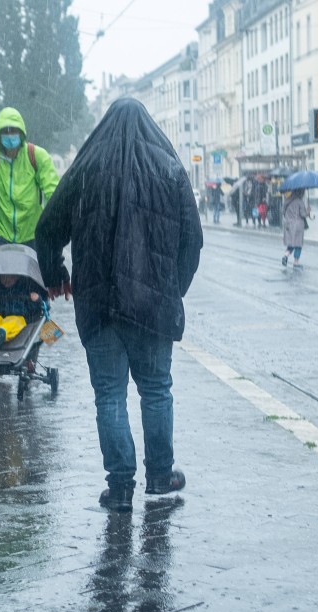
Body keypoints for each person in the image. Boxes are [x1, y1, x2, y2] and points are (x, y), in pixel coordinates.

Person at [35, 97, 204, 512]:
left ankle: (121, 485)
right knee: (156, 389)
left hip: (100, 303)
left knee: (109, 395)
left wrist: (56, 275)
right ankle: (161, 475)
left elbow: (46, 229)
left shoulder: (86, 168)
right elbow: (193, 240)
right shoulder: (169, 167)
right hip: (152, 307)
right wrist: (172, 287)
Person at [0, 107, 61, 254]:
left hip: (33, 235)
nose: (9, 135)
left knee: (46, 274)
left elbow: (54, 195)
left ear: (22, 133)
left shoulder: (37, 156)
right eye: (5, 131)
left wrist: (55, 226)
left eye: (13, 131)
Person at [0, 256, 47, 348]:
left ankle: (2, 334)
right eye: (3, 277)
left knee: (13, 323)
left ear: (17, 276)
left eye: (11, 277)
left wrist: (36, 300)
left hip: (18, 316)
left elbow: (36, 310)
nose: (7, 280)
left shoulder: (26, 287)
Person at [280, 188, 311, 269]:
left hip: (288, 224)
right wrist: (308, 212)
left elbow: (283, 211)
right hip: (298, 225)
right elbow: (303, 214)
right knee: (298, 244)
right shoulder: (300, 202)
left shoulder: (287, 200)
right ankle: (296, 262)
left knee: (291, 243)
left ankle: (286, 255)